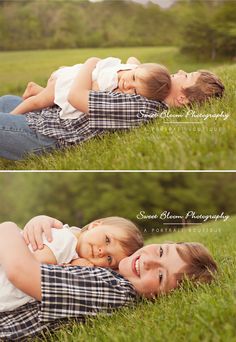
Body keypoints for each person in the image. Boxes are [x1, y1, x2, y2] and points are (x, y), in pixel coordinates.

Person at [0, 217, 218, 340]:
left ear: (158, 296)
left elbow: (20, 270)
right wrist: (39, 222)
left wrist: (8, 227)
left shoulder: (115, 288)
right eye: (161, 252)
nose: (150, 262)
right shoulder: (106, 266)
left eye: (161, 275)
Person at [0, 58, 224, 160]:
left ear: (183, 98)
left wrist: (90, 64)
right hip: (50, 115)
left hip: (48, 136)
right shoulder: (149, 92)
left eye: (187, 76)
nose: (182, 70)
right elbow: (134, 66)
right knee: (7, 101)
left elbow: (76, 97)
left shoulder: (140, 106)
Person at [0, 216, 143, 312]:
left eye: (109, 258)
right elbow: (35, 265)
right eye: (107, 240)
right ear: (95, 225)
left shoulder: (72, 249)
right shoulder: (65, 240)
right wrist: (73, 266)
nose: (101, 251)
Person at [10, 57, 171, 118]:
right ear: (135, 70)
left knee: (53, 100)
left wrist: (139, 71)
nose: (127, 85)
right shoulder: (111, 81)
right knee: (38, 102)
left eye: (134, 91)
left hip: (77, 76)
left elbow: (133, 59)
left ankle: (35, 89)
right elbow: (88, 90)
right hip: (71, 81)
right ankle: (13, 114)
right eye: (134, 78)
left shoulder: (131, 68)